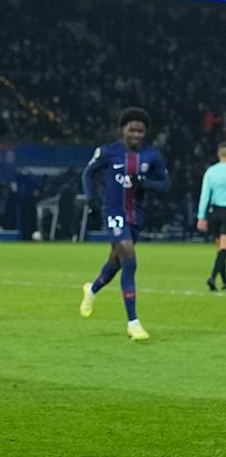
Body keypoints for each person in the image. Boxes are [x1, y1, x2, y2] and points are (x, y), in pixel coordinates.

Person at [79, 107, 169, 340]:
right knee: (129, 260)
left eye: (140, 131)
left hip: (136, 216)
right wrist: (90, 199)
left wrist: (144, 182)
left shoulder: (153, 155)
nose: (136, 135)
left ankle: (92, 289)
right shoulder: (108, 151)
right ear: (123, 130)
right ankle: (133, 322)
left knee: (115, 263)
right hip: (114, 212)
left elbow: (165, 185)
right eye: (132, 130)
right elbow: (88, 173)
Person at [196, 140, 226, 290]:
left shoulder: (211, 171)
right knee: (223, 248)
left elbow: (204, 195)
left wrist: (201, 216)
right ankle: (213, 278)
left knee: (220, 248)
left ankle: (225, 281)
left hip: (214, 213)